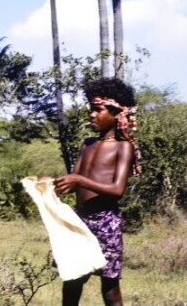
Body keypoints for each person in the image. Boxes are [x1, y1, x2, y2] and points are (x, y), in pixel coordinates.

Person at [53, 77, 142, 306]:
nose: (92, 115)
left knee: (110, 287)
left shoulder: (124, 148)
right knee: (72, 281)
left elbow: (117, 189)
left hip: (106, 221)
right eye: (91, 110)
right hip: (79, 220)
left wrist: (80, 179)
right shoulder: (87, 144)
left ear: (116, 114)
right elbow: (73, 180)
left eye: (98, 110)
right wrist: (49, 183)